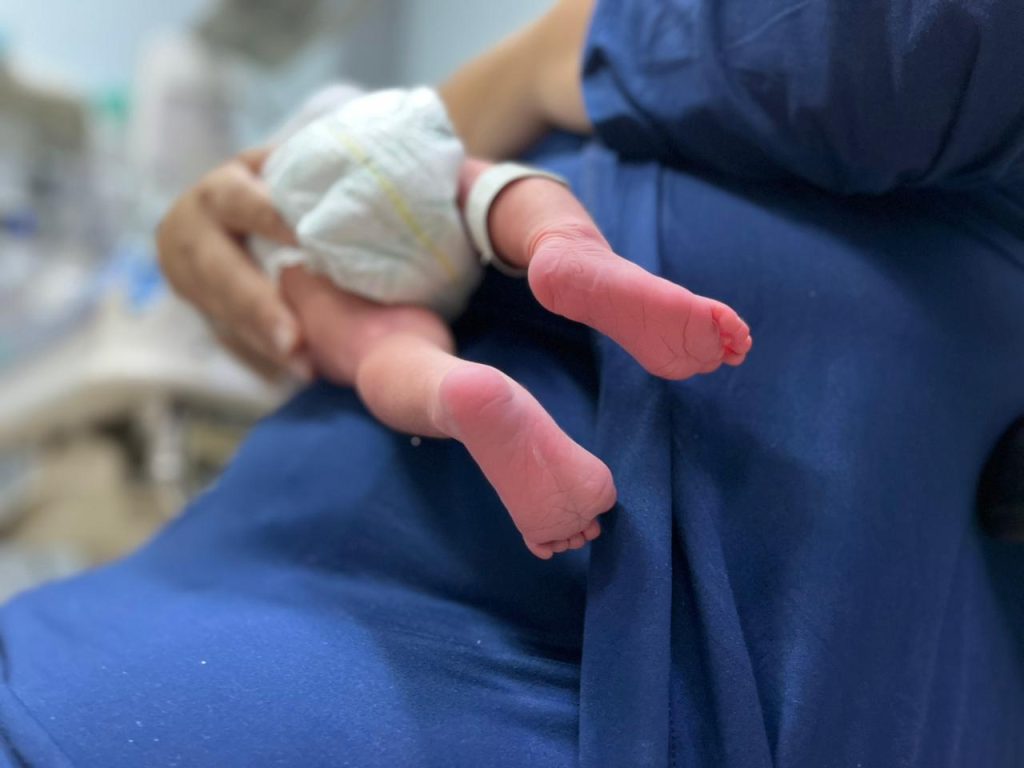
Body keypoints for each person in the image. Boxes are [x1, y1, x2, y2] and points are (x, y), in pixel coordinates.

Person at [2, 0, 1023, 766]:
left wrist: (551, 55)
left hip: (359, 185)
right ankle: (566, 258)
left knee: (389, 345)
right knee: (509, 206)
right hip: (428, 185)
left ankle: (458, 387)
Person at [253, 85, 749, 558]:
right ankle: (558, 240)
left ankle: (449, 388)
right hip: (385, 132)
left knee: (379, 342)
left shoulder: (257, 204)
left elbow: (277, 340)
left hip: (294, 206)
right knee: (491, 191)